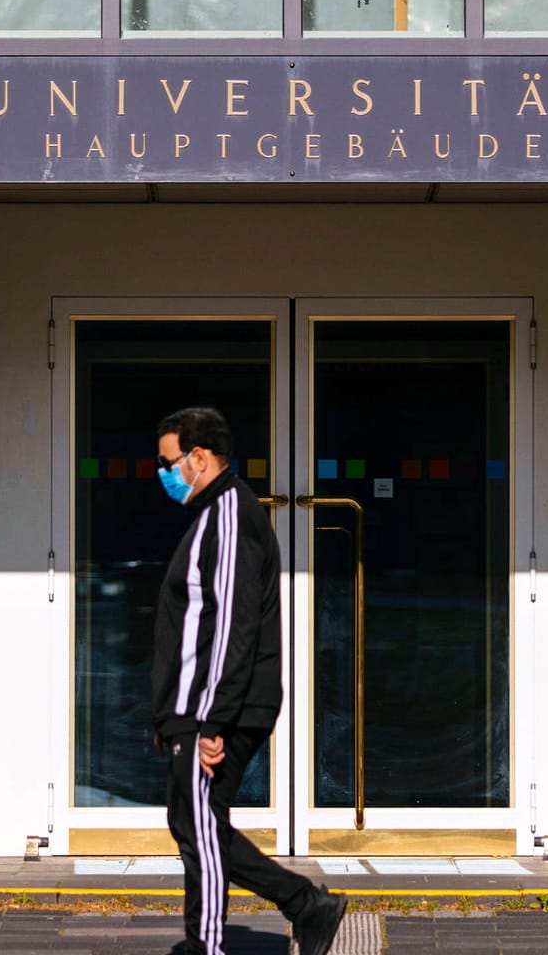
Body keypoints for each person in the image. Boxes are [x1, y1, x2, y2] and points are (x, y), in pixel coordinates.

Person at [150, 407, 347, 955]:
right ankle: (307, 907)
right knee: (196, 823)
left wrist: (211, 719)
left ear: (200, 457)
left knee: (199, 825)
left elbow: (235, 626)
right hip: (201, 706)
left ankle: (210, 943)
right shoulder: (212, 516)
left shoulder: (231, 516)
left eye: (169, 463)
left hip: (218, 709)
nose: (163, 474)